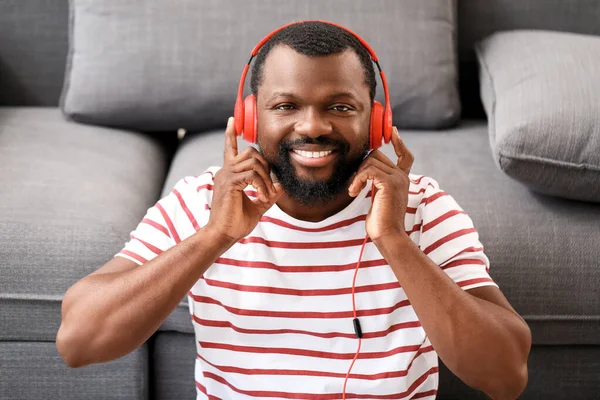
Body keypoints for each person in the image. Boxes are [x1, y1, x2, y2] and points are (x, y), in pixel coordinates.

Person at [56, 21, 531, 399]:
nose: (313, 126)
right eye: (285, 106)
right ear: (250, 117)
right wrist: (213, 237)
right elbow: (79, 342)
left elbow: (506, 376)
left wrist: (394, 241)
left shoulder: (423, 208)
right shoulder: (202, 203)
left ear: (378, 121)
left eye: (341, 107)